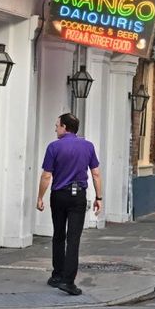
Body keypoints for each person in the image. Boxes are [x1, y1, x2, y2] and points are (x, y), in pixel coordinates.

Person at [36, 113, 102, 296]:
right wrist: (99, 197)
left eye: (57, 125)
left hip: (59, 195)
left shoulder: (54, 147)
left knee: (58, 235)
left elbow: (46, 175)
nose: (55, 128)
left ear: (65, 127)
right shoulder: (88, 146)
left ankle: (57, 275)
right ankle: (68, 281)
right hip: (78, 196)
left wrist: (40, 197)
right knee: (74, 239)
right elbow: (95, 173)